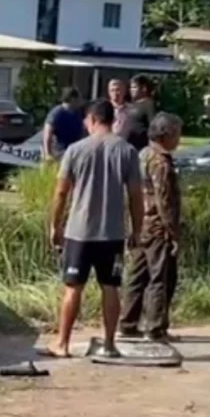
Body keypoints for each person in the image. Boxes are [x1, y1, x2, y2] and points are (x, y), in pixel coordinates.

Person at [40, 100, 144, 358]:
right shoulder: (127, 151)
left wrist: (55, 224)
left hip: (79, 231)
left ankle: (62, 344)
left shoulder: (75, 150)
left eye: (86, 120)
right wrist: (137, 230)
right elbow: (135, 195)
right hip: (113, 233)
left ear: (93, 119)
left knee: (73, 287)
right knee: (110, 286)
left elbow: (61, 192)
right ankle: (109, 345)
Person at [120, 113, 183, 342]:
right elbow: (164, 200)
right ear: (166, 135)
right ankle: (155, 328)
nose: (179, 139)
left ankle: (128, 323)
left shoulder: (142, 155)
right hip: (157, 228)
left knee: (136, 276)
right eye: (177, 133)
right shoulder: (160, 162)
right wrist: (173, 232)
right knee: (160, 278)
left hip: (140, 225)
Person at [41, 87, 86, 161]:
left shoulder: (78, 113)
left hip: (73, 153)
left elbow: (82, 133)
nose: (81, 102)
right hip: (58, 154)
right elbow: (47, 133)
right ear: (72, 99)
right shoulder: (57, 113)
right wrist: (48, 154)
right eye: (79, 98)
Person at [121, 74, 156, 151]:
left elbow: (153, 126)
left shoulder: (148, 104)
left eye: (134, 87)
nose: (131, 90)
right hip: (127, 146)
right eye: (130, 87)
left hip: (140, 147)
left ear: (144, 88)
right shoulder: (132, 104)